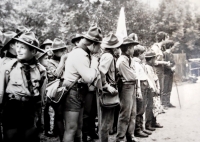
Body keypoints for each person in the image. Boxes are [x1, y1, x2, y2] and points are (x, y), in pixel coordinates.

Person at [0, 31, 47, 142]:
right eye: (17, 47)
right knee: (11, 136)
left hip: (30, 108)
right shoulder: (8, 67)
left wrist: (40, 118)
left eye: (23, 48)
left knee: (29, 136)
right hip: (12, 106)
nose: (18, 50)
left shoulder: (41, 70)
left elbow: (42, 97)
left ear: (34, 51)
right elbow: (1, 91)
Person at [62, 24, 102, 142]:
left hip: (79, 92)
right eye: (99, 46)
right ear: (93, 44)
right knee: (71, 128)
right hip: (73, 93)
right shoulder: (80, 54)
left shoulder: (83, 54)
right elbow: (89, 77)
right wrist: (94, 63)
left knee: (78, 127)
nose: (99, 49)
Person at [98, 33, 123, 142]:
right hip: (108, 91)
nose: (119, 49)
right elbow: (101, 72)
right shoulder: (108, 56)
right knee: (106, 121)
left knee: (109, 120)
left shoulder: (109, 56)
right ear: (113, 48)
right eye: (117, 47)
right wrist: (106, 86)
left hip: (110, 89)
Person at [44, 38, 68, 141]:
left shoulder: (68, 60)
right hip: (56, 92)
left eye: (63, 49)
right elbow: (57, 74)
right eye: (59, 50)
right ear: (54, 51)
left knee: (66, 115)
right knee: (58, 115)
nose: (62, 52)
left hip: (67, 90)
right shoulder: (49, 62)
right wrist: (63, 61)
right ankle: (62, 138)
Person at [116, 36, 139, 142]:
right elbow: (132, 76)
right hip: (126, 87)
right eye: (132, 47)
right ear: (128, 48)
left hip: (132, 86)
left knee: (133, 112)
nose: (134, 50)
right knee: (125, 113)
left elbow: (135, 75)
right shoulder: (122, 61)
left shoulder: (130, 59)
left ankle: (130, 135)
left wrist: (135, 74)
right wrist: (135, 74)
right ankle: (120, 137)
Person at [132, 45, 152, 138]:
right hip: (141, 86)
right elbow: (137, 78)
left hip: (144, 86)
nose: (144, 55)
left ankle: (141, 127)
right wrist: (139, 89)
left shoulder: (140, 63)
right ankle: (137, 129)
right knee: (139, 109)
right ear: (139, 54)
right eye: (143, 53)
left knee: (143, 107)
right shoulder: (135, 63)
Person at [151, 31, 170, 113]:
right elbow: (154, 62)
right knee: (157, 88)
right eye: (166, 38)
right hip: (156, 70)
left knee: (161, 88)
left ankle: (159, 107)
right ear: (163, 39)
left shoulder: (160, 47)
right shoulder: (155, 47)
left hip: (161, 70)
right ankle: (156, 107)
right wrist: (165, 63)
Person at [144, 50, 162, 131]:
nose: (155, 61)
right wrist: (155, 89)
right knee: (150, 106)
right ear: (151, 59)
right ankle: (148, 123)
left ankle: (154, 122)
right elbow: (150, 80)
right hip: (151, 89)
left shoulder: (151, 67)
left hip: (155, 88)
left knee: (155, 105)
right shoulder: (147, 67)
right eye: (154, 59)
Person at [163, 40, 176, 108]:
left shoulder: (171, 54)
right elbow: (164, 64)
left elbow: (173, 63)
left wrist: (174, 67)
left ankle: (168, 102)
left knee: (169, 88)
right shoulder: (164, 54)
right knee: (165, 88)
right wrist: (170, 68)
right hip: (165, 73)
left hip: (171, 73)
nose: (173, 48)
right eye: (173, 46)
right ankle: (164, 104)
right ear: (170, 46)